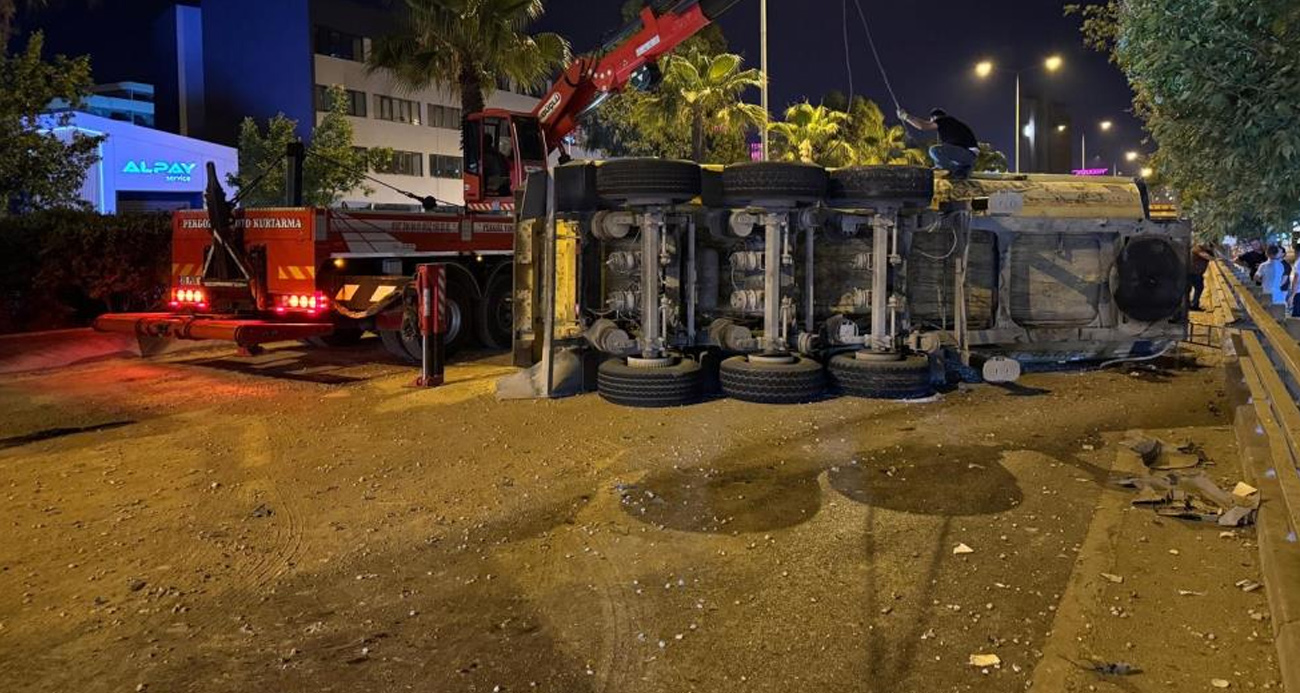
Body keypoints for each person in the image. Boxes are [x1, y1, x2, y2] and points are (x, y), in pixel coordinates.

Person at [897, 107, 980, 178]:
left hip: (967, 153)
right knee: (940, 153)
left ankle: (955, 171)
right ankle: (962, 171)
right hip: (966, 155)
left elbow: (923, 126)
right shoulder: (951, 125)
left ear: (934, 117)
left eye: (931, 120)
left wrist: (906, 116)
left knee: (935, 150)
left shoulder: (943, 120)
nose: (932, 122)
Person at [1188, 241, 1214, 310]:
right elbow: (1208, 257)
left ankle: (1192, 304)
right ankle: (1193, 305)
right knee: (1197, 288)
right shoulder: (1197, 249)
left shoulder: (1204, 250)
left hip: (1195, 273)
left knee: (1195, 288)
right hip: (1193, 273)